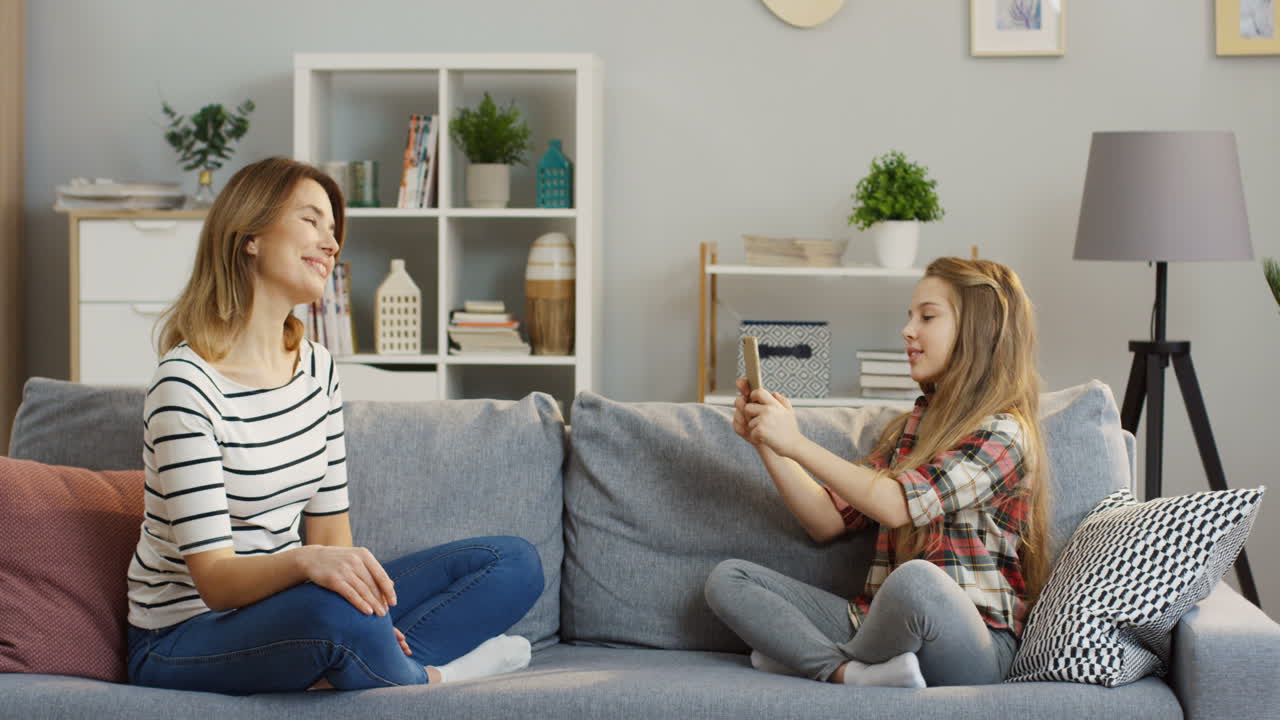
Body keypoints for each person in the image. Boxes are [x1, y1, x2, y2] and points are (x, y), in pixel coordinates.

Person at [125, 157, 544, 694]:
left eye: (332, 229)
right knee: (337, 619)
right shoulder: (185, 384)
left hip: (287, 610)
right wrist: (313, 569)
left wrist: (354, 597)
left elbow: (331, 535)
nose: (331, 243)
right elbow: (216, 583)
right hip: (182, 636)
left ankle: (360, 664)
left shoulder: (317, 367)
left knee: (511, 563)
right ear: (249, 235)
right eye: (311, 220)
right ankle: (434, 678)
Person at [704, 257, 1050, 688]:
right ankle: (848, 673)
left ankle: (807, 658)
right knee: (730, 579)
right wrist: (769, 445)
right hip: (875, 627)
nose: (908, 330)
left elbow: (896, 505)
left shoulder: (1004, 433)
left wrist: (796, 442)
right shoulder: (914, 428)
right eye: (910, 317)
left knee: (919, 581)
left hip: (973, 643)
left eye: (927, 316)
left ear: (979, 333)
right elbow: (825, 520)